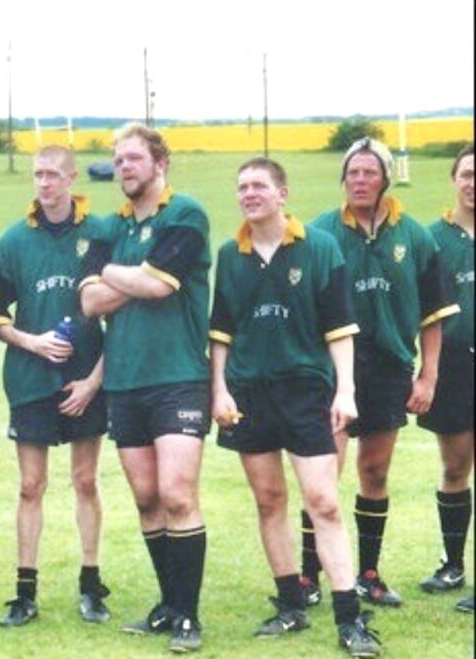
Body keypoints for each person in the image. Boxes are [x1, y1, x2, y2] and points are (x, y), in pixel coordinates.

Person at [210, 158, 381, 656]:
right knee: (269, 501)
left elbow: (341, 327)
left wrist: (344, 389)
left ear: (282, 192)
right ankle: (291, 604)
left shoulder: (320, 247)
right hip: (247, 391)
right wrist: (219, 389)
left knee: (323, 502)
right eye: (242, 186)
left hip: (306, 390)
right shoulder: (230, 252)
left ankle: (349, 618)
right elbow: (222, 331)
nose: (249, 193)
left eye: (259, 185)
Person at [304, 138, 458, 608]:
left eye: (370, 173)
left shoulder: (415, 235)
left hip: (391, 369)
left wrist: (428, 376)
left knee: (374, 471)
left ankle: (368, 573)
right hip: (333, 373)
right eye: (353, 173)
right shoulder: (320, 234)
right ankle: (311, 577)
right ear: (343, 180)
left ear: (386, 179)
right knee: (323, 476)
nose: (361, 181)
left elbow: (434, 315)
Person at [80, 124, 211, 652]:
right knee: (146, 497)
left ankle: (189, 617)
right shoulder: (111, 224)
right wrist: (133, 275)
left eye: (134, 157)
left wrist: (110, 272)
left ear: (161, 163)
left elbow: (159, 287)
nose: (124, 167)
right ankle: (168, 604)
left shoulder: (185, 214)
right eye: (118, 159)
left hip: (178, 377)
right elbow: (89, 304)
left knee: (178, 495)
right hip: (126, 381)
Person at [0, 146, 111, 627]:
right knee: (30, 485)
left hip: (86, 379)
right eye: (38, 174)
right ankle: (25, 592)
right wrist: (32, 342)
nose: (44, 183)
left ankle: (90, 584)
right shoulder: (15, 240)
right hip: (31, 379)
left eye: (53, 174)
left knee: (85, 480)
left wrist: (93, 380)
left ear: (71, 178)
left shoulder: (99, 233)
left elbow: (116, 313)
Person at [416, 143, 474, 614]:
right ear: (454, 180)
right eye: (468, 175)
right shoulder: (431, 238)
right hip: (454, 364)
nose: (473, 184)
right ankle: (452, 564)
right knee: (456, 467)